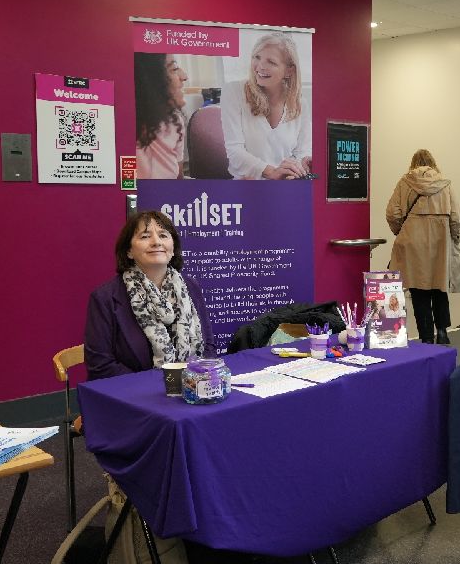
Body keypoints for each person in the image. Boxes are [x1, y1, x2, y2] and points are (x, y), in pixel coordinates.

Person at [84, 211, 214, 380]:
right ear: (129, 251)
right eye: (145, 236)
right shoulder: (105, 297)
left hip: (191, 388)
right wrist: (159, 386)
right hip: (133, 396)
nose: (156, 242)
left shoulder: (190, 286)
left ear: (173, 248)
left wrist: (195, 381)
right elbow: (100, 365)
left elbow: (208, 347)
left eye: (163, 235)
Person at [386, 149, 460, 345]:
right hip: (440, 241)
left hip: (413, 242)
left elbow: (392, 214)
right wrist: (454, 237)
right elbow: (457, 218)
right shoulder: (445, 184)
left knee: (418, 291)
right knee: (439, 289)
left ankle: (426, 337)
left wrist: (402, 231)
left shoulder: (405, 183)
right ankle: (443, 331)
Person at [220, 32, 312, 180]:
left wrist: (302, 164)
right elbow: (234, 151)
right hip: (247, 184)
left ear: (289, 71)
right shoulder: (233, 92)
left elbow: (303, 150)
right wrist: (272, 172)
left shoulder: (300, 103)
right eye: (257, 57)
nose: (260, 66)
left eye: (271, 62)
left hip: (285, 184)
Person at [134, 53, 189, 179]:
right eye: (174, 69)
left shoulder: (175, 120)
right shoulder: (122, 126)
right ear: (149, 80)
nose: (184, 76)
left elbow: (178, 178)